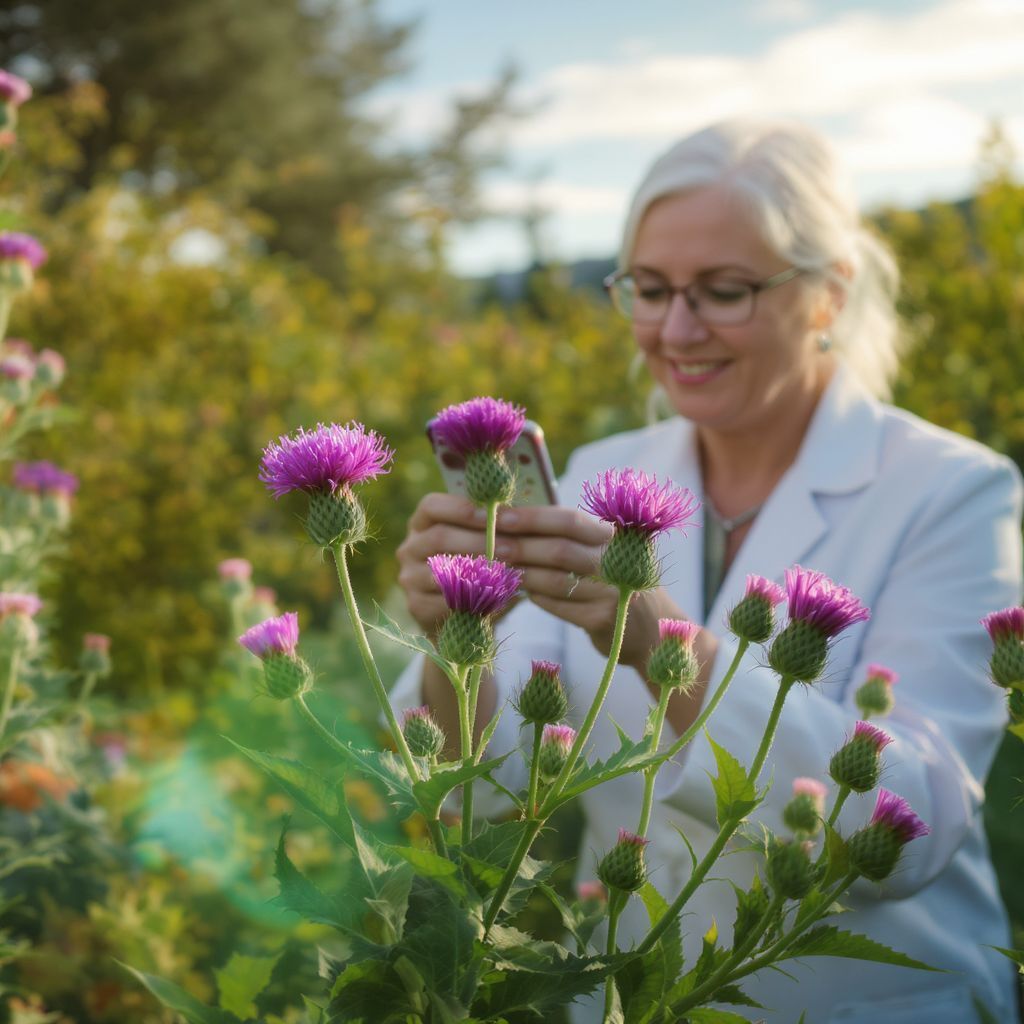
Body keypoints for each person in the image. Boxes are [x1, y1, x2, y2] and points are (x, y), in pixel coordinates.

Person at [391, 119, 1023, 1023]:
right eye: (647, 289)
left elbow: (910, 826)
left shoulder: (951, 491)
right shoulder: (604, 470)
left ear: (829, 295)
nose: (676, 329)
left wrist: (660, 643)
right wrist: (457, 642)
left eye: (724, 291)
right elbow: (484, 798)